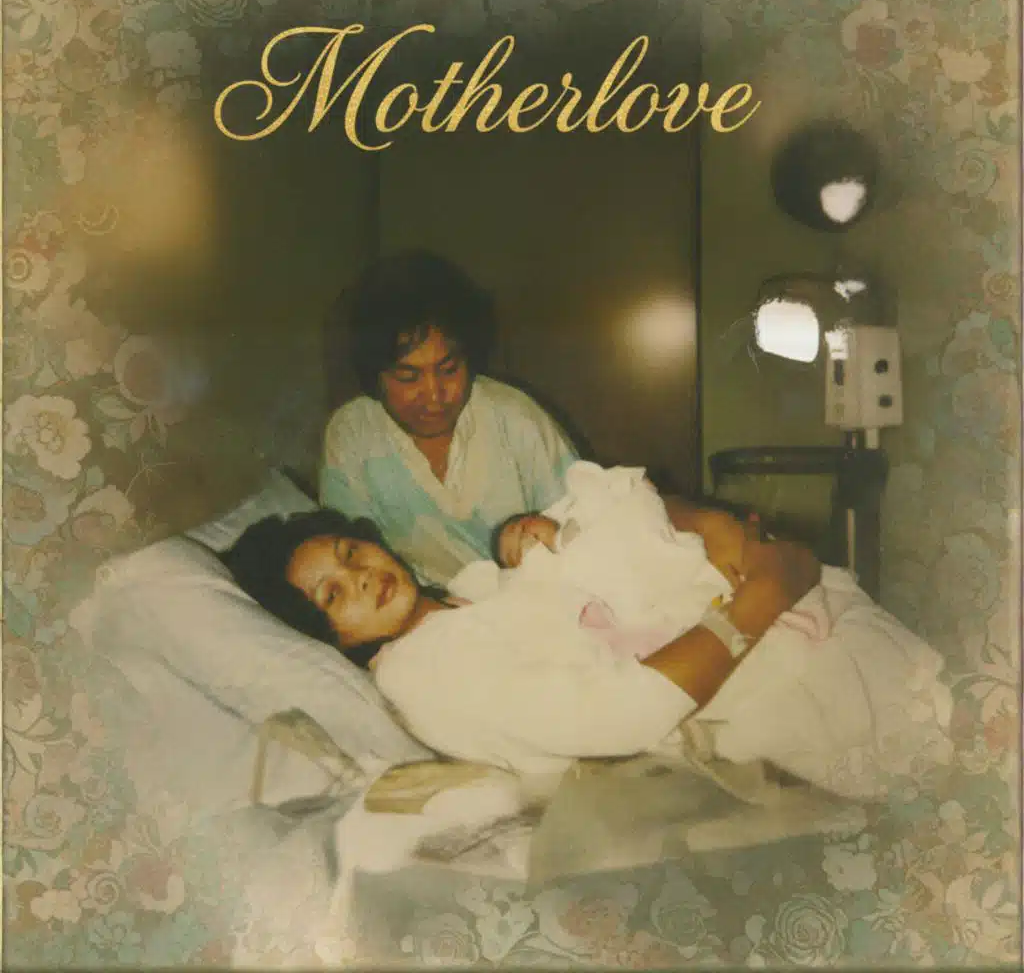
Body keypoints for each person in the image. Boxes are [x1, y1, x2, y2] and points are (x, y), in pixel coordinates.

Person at [221, 503, 823, 780]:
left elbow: (611, 522)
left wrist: (714, 529)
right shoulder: (419, 673)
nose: (359, 576)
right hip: (753, 671)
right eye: (332, 595)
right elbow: (625, 713)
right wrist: (765, 592)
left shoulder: (466, 596)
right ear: (328, 638)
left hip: (740, 617)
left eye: (350, 552)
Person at [319, 250, 579, 588]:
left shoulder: (515, 418)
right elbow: (350, 567)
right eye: (408, 377)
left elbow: (587, 527)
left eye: (449, 369)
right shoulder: (352, 435)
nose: (434, 394)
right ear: (375, 375)